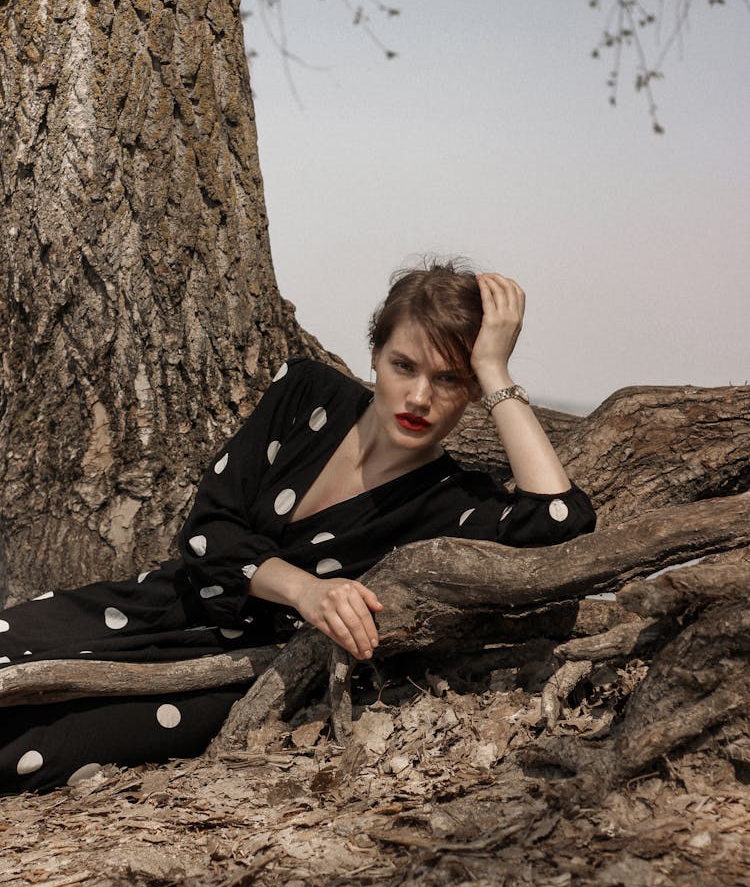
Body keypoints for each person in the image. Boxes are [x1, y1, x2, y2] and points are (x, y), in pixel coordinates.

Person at [0, 263, 595, 792]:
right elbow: (209, 530)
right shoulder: (307, 393)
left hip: (249, 673)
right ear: (374, 355)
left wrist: (495, 369)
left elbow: (561, 525)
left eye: (450, 379)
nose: (418, 396)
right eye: (403, 365)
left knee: (37, 738)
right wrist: (306, 589)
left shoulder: (454, 502)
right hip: (162, 601)